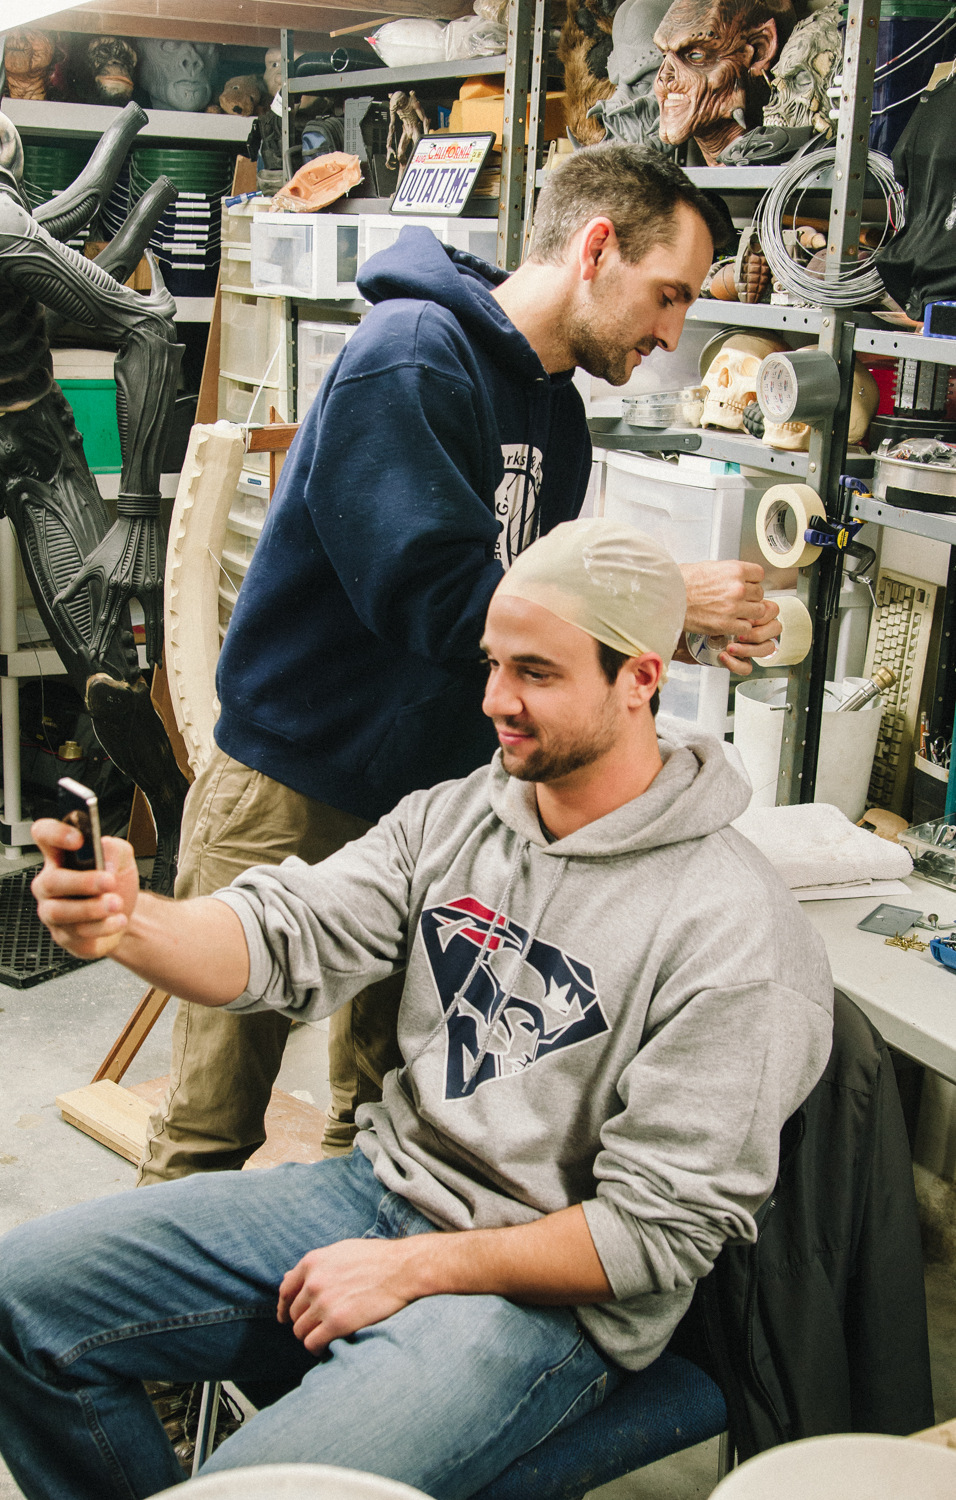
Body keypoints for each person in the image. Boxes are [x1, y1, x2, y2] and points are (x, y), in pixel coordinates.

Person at [0, 520, 833, 1500]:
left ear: (639, 679)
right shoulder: (463, 813)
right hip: (378, 1188)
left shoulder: (734, 932)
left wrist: (418, 1268)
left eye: (536, 673)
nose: (496, 701)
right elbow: (287, 934)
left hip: (544, 1302)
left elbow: (653, 1233)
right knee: (12, 1304)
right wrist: (130, 924)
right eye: (493, 665)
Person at [139, 142, 784, 1182]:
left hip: (440, 809)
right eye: (667, 296)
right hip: (296, 787)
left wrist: (643, 644)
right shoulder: (412, 354)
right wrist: (660, 604)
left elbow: (537, 636)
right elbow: (433, 597)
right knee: (210, 1127)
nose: (672, 334)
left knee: (395, 1121)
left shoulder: (558, 415)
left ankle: (340, 1336)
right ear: (596, 247)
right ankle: (147, 1337)